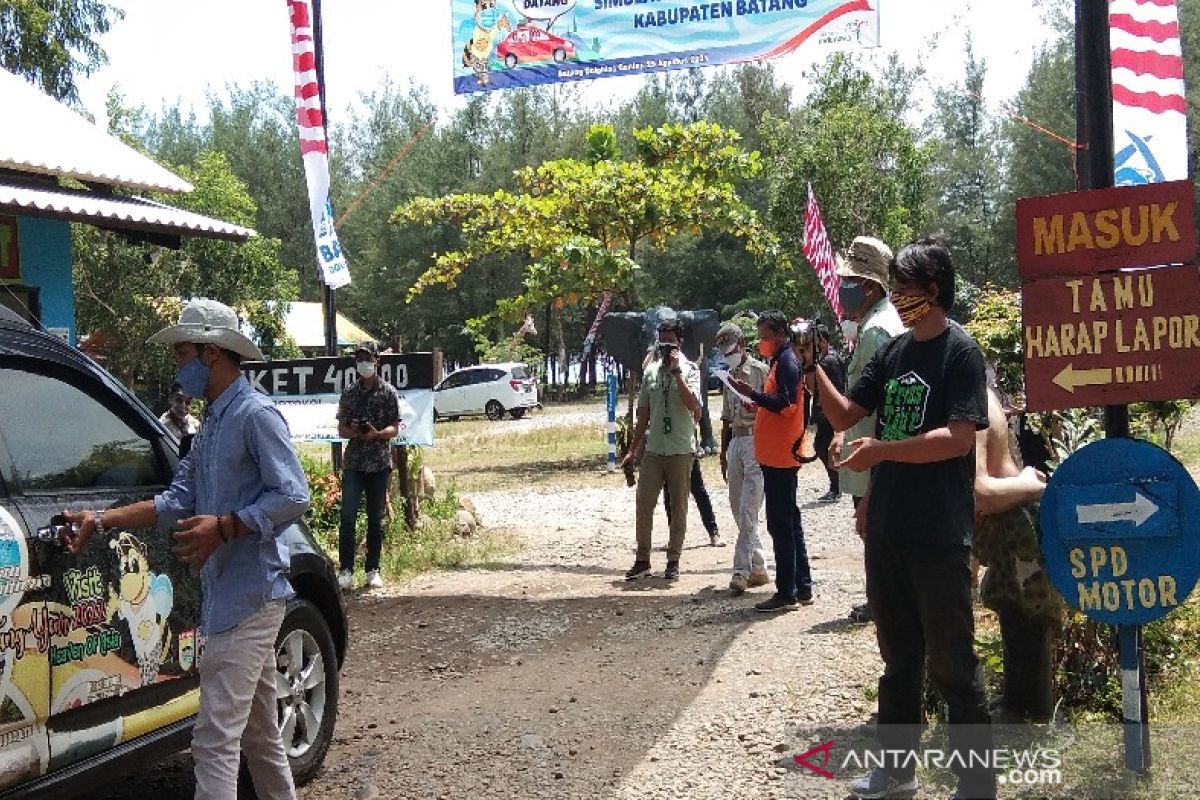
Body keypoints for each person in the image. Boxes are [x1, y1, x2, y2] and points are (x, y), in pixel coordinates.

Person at [64, 298, 309, 800]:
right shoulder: (211, 424)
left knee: (214, 740)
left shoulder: (255, 415)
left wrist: (226, 526)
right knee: (260, 736)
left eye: (182, 355)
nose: (179, 367)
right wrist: (101, 519)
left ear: (211, 353)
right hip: (232, 595)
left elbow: (293, 494)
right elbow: (177, 501)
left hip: (250, 598)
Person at [816, 238, 996, 800]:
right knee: (898, 662)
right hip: (889, 531)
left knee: (953, 667)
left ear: (933, 291)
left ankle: (976, 784)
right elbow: (850, 413)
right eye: (893, 289)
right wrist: (812, 367)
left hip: (938, 534)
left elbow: (957, 439)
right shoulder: (893, 353)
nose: (897, 298)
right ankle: (895, 772)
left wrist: (882, 453)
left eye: (905, 289)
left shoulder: (959, 352)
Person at [973, 388, 1061, 723]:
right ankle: (1017, 700)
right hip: (1009, 517)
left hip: (1014, 517)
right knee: (1011, 608)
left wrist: (1029, 483)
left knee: (1030, 612)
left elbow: (982, 494)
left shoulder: (975, 401)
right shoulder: (981, 395)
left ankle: (1034, 710)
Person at [831, 238, 905, 624]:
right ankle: (883, 600)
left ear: (871, 286)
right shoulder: (876, 324)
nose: (843, 288)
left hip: (874, 456)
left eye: (850, 281)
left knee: (875, 530)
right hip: (869, 450)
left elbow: (884, 408)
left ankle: (885, 603)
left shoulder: (878, 331)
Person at [729, 310, 812, 612]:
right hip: (776, 453)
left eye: (765, 336)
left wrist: (755, 395)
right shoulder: (779, 361)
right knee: (790, 520)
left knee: (781, 524)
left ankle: (786, 592)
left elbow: (787, 406)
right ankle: (802, 587)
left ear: (779, 334)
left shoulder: (788, 361)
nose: (761, 342)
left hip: (782, 456)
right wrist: (755, 400)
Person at [622, 318, 703, 581]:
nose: (666, 346)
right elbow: (643, 414)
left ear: (679, 341)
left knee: (678, 506)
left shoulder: (691, 369)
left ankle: (673, 559)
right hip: (654, 449)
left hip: (680, 449)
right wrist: (633, 450)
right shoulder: (650, 372)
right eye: (663, 340)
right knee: (644, 503)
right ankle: (642, 559)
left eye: (671, 340)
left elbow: (695, 408)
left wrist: (678, 371)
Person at [336, 341, 401, 591]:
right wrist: (352, 431)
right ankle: (346, 570)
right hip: (354, 462)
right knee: (348, 516)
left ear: (376, 361)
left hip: (379, 462)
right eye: (359, 359)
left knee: (376, 519)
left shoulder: (388, 392)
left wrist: (377, 433)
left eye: (367, 358)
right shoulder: (349, 393)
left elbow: (395, 427)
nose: (363, 363)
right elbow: (340, 428)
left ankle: (373, 569)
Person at [715, 322, 770, 594]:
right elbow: (726, 417)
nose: (728, 354)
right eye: (724, 351)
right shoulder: (727, 375)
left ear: (742, 345)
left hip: (756, 440)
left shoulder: (760, 371)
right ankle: (758, 566)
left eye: (731, 348)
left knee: (750, 508)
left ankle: (741, 571)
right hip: (736, 441)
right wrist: (723, 454)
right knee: (738, 509)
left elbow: (773, 409)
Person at [810, 324, 845, 502]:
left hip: (829, 413)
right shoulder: (825, 360)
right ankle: (836, 484)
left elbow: (838, 388)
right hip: (825, 412)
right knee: (821, 447)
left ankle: (836, 486)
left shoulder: (829, 361)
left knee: (824, 447)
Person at [663, 451, 724, 547]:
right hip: (667, 454)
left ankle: (713, 532)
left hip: (687, 451)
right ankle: (674, 537)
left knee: (699, 492)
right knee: (669, 495)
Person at [160, 382, 201, 458]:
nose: (183, 405)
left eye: (188, 402)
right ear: (170, 399)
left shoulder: (197, 426)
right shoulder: (162, 427)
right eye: (179, 400)